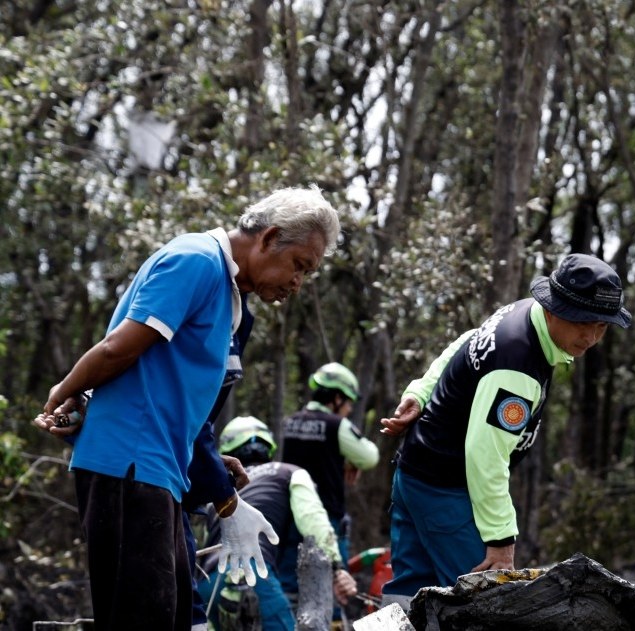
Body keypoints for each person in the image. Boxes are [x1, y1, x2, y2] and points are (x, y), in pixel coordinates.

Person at [35, 186, 340, 631]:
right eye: (299, 265)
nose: (298, 282)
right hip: (130, 465)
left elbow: (179, 400)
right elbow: (121, 348)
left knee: (174, 616)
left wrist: (216, 472)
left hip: (161, 473)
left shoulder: (234, 303)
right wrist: (65, 391)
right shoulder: (197, 259)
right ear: (269, 237)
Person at [377, 253, 633, 608]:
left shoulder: (523, 313)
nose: (590, 336)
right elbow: (484, 457)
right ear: (555, 308)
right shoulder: (518, 370)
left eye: (602, 326)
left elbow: (466, 340)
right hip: (447, 492)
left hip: (415, 473)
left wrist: (421, 390)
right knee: (481, 608)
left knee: (408, 598)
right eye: (583, 322)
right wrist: (501, 540)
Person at [198, 416, 358, 631]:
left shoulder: (218, 494)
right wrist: (337, 568)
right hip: (252, 574)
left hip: (208, 581)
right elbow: (313, 521)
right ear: (269, 448)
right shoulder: (290, 472)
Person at [280, 362, 380, 568]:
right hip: (326, 518)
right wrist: (353, 460)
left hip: (291, 517)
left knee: (290, 581)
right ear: (337, 398)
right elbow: (370, 457)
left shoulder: (291, 421)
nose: (349, 408)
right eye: (348, 402)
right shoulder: (337, 425)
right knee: (333, 582)